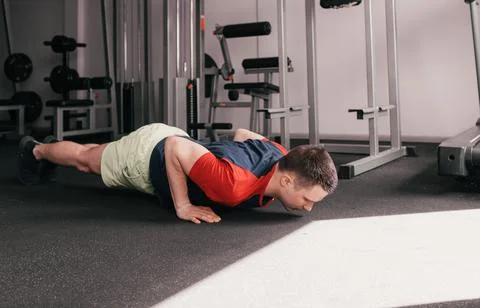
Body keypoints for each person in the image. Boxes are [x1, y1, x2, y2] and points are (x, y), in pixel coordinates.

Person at [17, 123, 338, 224]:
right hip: (151, 154)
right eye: (308, 199)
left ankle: (49, 149)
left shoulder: (283, 155)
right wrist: (182, 205)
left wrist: (215, 158)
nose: (308, 208)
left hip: (185, 145)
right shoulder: (234, 183)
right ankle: (35, 149)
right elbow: (174, 147)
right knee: (86, 160)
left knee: (95, 151)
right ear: (286, 179)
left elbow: (242, 134)